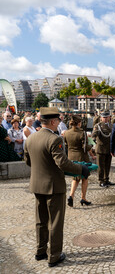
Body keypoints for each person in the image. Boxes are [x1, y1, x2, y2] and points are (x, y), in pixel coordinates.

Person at [24, 107, 88, 267]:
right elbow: (62, 163)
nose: (60, 123)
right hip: (54, 186)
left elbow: (28, 161)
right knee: (55, 223)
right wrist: (81, 169)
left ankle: (40, 251)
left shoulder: (31, 138)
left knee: (41, 221)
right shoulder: (55, 139)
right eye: (58, 120)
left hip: (37, 185)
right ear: (53, 122)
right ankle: (54, 255)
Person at [63, 115, 96, 207]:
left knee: (75, 178)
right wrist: (92, 145)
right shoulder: (82, 133)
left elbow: (66, 145)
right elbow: (84, 147)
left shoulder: (66, 133)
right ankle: (83, 198)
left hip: (71, 157)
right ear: (79, 123)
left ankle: (71, 196)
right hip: (81, 157)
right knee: (85, 177)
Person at [92, 111, 114, 187]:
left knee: (108, 165)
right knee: (101, 167)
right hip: (100, 149)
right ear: (101, 118)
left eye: (106, 117)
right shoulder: (98, 126)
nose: (105, 119)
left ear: (109, 117)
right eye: (103, 117)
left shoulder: (112, 125)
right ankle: (101, 180)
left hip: (109, 149)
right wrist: (94, 137)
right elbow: (94, 134)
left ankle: (106, 179)